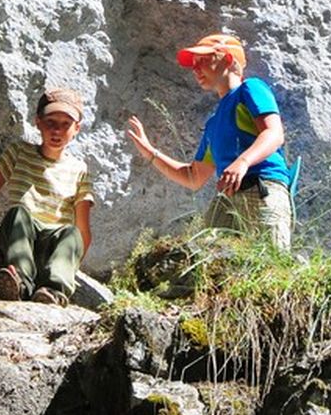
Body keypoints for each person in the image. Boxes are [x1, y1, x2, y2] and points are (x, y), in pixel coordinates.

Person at [125, 32, 292, 251]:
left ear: (228, 59)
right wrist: (150, 152)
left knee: (270, 263)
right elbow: (194, 177)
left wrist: (242, 162)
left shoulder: (250, 88)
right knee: (209, 264)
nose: (195, 69)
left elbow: (274, 133)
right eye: (194, 64)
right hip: (227, 198)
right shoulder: (214, 123)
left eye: (203, 60)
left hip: (263, 185)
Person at [0, 88, 94, 305]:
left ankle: (53, 290)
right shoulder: (19, 152)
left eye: (66, 124)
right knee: (17, 213)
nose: (57, 130)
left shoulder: (79, 169)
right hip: (21, 240)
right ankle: (18, 280)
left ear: (77, 128)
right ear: (38, 122)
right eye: (50, 122)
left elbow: (83, 230)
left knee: (72, 232)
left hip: (54, 247)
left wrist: (70, 264)